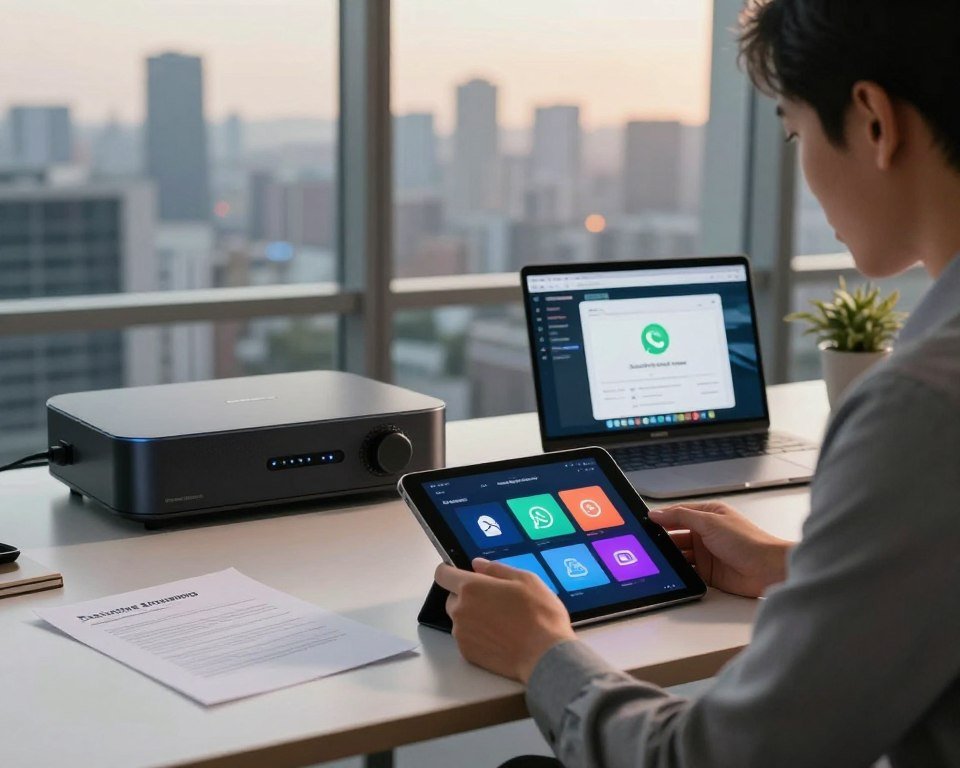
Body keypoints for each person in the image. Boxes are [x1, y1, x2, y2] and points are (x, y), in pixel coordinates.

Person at [434, 1, 960, 766]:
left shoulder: (920, 406)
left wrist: (541, 653)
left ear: (874, 121)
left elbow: (716, 759)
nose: (803, 171)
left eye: (794, 133)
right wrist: (797, 570)